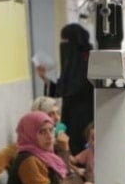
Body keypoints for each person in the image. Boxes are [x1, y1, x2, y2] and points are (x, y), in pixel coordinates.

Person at [36, 24, 94, 155]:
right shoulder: (73, 63)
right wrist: (44, 78)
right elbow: (65, 90)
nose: (62, 46)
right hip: (71, 118)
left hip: (87, 119)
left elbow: (73, 89)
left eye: (64, 41)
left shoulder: (90, 61)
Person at [31, 95, 86, 184]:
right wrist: (64, 148)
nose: (56, 118)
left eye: (57, 113)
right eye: (50, 114)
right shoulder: (39, 143)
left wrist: (76, 169)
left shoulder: (55, 135)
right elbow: (64, 172)